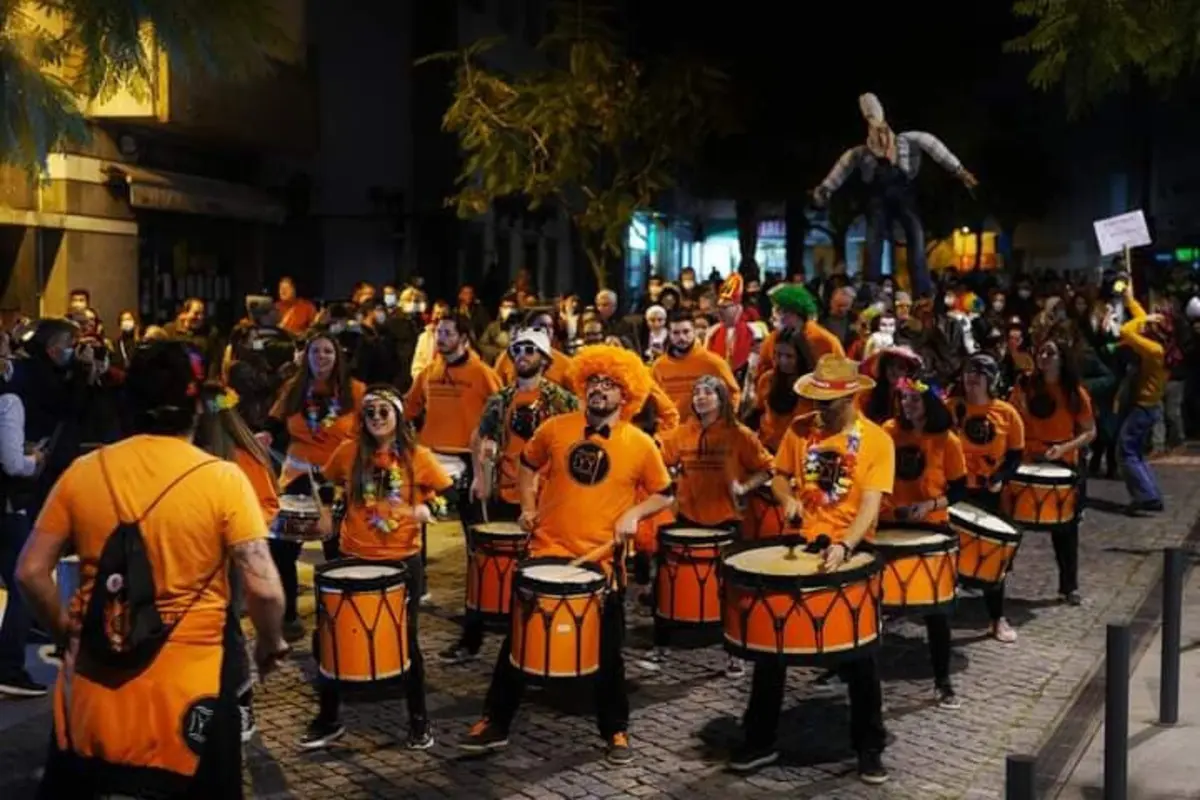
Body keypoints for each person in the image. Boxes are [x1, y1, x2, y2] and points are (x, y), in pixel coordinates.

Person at [16, 340, 288, 798]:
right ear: (196, 408)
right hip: (192, 695)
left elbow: (29, 572)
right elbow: (264, 588)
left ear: (129, 401)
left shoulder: (84, 471)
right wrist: (269, 643)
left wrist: (65, 632)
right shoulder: (222, 479)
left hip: (96, 685)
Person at [459, 345, 674, 764]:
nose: (599, 389)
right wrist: (527, 506)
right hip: (547, 551)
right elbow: (527, 464)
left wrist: (634, 513)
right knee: (517, 643)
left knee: (608, 654)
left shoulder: (640, 443)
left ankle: (615, 730)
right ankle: (494, 722)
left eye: (610, 384)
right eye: (593, 381)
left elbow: (664, 494)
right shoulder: (555, 428)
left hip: (601, 562)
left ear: (626, 393)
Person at [731, 354, 892, 783]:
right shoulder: (800, 430)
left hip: (853, 552)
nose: (819, 408)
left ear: (851, 397)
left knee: (861, 656)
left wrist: (845, 544)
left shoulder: (877, 442)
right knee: (772, 648)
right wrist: (787, 499)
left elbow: (871, 504)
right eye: (816, 399)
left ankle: (869, 747)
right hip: (802, 545)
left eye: (828, 402)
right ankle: (759, 740)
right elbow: (780, 476)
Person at [300, 386, 451, 750]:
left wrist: (429, 509)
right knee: (330, 638)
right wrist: (325, 513)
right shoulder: (348, 452)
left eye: (385, 411)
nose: (377, 418)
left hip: (402, 562)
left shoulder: (417, 456)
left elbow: (446, 495)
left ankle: (419, 719)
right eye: (370, 412)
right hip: (354, 557)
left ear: (398, 416)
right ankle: (329, 719)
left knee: (406, 641)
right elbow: (323, 480)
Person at [440, 327, 579, 664]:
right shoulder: (500, 399)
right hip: (505, 493)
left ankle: (534, 638)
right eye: (517, 350)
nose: (522, 356)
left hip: (546, 500)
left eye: (530, 350)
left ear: (544, 358)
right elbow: (478, 437)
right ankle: (471, 639)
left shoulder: (563, 400)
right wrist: (479, 477)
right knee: (483, 567)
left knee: (539, 570)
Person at [654, 376, 772, 674]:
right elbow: (661, 459)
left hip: (726, 522)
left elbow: (768, 468)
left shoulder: (739, 434)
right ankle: (662, 644)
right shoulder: (682, 433)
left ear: (721, 399)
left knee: (731, 592)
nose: (700, 397)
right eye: (696, 392)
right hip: (687, 519)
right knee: (664, 584)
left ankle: (735, 655)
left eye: (708, 392)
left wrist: (744, 488)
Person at [812, 93, 977, 297]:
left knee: (915, 233)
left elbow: (934, 146)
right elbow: (842, 168)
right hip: (878, 199)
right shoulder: (861, 153)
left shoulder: (907, 141)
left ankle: (922, 288)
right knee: (874, 234)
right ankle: (871, 284)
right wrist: (825, 189)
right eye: (876, 136)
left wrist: (960, 171)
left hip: (903, 195)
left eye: (883, 133)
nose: (882, 140)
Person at [194, 380, 282, 742]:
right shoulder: (187, 453)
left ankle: (242, 704)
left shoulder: (242, 458)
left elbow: (268, 507)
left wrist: (235, 532)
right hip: (192, 560)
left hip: (226, 562)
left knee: (227, 631)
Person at [267, 333, 366, 641]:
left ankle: (338, 615)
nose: (321, 357)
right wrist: (263, 436)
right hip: (297, 479)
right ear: (305, 356)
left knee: (336, 551)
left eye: (327, 351)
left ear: (337, 357)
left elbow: (371, 430)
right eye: (315, 351)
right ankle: (289, 616)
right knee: (282, 549)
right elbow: (273, 423)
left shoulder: (356, 391)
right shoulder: (294, 388)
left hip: (337, 480)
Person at [880, 373, 966, 709]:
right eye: (904, 398)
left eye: (915, 398)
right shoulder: (888, 432)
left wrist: (929, 506)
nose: (907, 404)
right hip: (888, 525)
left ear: (930, 402)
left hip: (930, 528)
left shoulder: (948, 441)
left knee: (936, 612)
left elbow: (958, 490)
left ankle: (942, 681)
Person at [1009, 334, 1095, 603]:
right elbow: (1011, 417)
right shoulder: (1024, 384)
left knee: (1066, 529)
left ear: (1062, 359)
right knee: (1010, 521)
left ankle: (1069, 587)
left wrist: (1064, 448)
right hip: (1028, 458)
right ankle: (995, 575)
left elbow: (1090, 431)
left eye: (1050, 353)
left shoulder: (1075, 393)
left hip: (1062, 460)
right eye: (1041, 352)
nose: (1043, 357)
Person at [953, 353, 1025, 643]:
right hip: (956, 491)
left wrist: (1000, 477)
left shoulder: (1006, 413)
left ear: (991, 379)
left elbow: (1015, 455)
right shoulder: (951, 407)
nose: (972, 378)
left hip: (988, 494)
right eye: (969, 372)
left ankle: (997, 619)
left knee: (992, 558)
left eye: (979, 373)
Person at [1117, 287, 1167, 515]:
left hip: (1144, 407)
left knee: (1126, 450)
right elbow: (1140, 317)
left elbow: (1125, 331)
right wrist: (1130, 300)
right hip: (1148, 406)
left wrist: (1144, 319)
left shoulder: (1155, 350)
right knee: (1135, 452)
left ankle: (1146, 496)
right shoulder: (1160, 345)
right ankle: (1151, 494)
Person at [650, 309, 740, 423]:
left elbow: (733, 393)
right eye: (676, 333)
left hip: (705, 429)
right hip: (671, 430)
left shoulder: (713, 363)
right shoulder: (658, 367)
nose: (682, 337)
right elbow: (651, 400)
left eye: (686, 331)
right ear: (669, 334)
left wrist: (722, 422)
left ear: (694, 331)